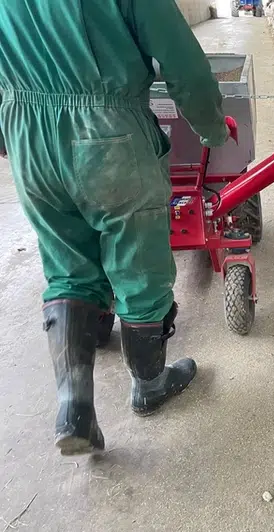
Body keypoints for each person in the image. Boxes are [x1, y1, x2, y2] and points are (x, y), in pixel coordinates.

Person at [0, 0, 232, 455]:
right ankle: (150, 384)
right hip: (108, 134)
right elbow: (183, 61)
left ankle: (74, 411)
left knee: (67, 266)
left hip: (27, 136)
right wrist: (212, 129)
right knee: (137, 262)